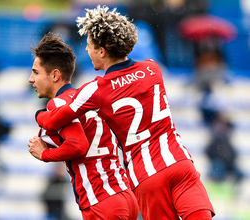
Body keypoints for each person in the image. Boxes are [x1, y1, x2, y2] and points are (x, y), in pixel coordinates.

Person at [35, 5, 215, 220]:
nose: (86, 50)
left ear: (102, 51)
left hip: (147, 173)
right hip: (179, 161)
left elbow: (54, 120)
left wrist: (40, 115)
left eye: (90, 45)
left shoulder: (95, 89)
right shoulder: (151, 68)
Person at [28, 32, 139, 220]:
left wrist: (44, 154)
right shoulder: (88, 100)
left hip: (101, 200)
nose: (31, 79)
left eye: (36, 72)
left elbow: (77, 146)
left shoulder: (59, 104)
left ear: (55, 75)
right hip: (125, 195)